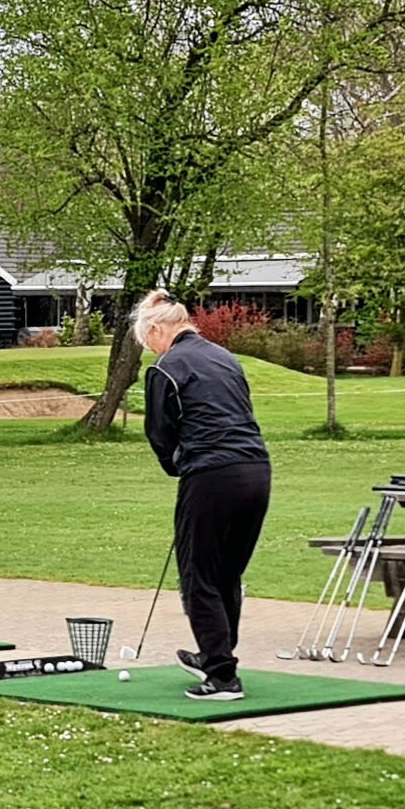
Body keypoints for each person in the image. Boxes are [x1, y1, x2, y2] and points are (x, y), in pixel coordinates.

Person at [136, 289, 272, 703]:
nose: (150, 350)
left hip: (212, 475)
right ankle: (216, 654)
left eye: (148, 342)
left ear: (159, 329)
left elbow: (161, 435)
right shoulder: (225, 358)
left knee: (199, 576)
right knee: (226, 573)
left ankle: (222, 677)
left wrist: (179, 466)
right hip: (256, 471)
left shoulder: (166, 368)